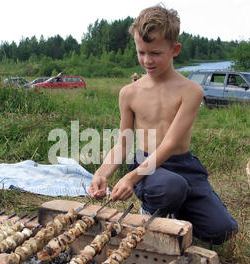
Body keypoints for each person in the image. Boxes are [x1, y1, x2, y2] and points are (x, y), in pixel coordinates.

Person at [88, 4, 238, 245]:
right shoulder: (129, 92)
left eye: (155, 53)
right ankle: (152, 210)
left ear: (174, 49)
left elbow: (170, 144)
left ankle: (177, 209)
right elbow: (124, 142)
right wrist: (102, 173)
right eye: (141, 52)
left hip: (183, 165)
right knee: (170, 186)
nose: (147, 60)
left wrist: (130, 179)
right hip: (147, 165)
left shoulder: (191, 91)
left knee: (223, 231)